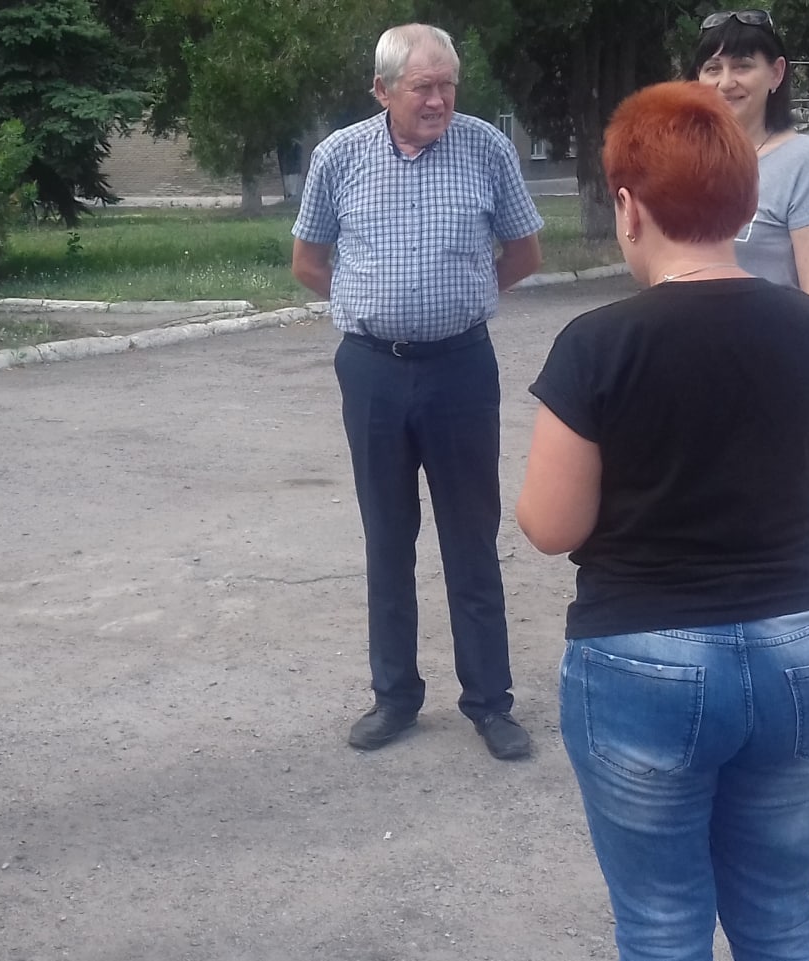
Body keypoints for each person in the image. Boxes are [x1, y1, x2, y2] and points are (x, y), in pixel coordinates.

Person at [518, 80, 809, 961]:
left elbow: (551, 525)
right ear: (744, 202)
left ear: (629, 209)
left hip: (643, 655)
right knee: (781, 912)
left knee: (663, 923)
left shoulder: (598, 343)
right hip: (799, 648)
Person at [291, 23, 543, 760]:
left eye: (447, 86)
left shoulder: (486, 148)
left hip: (461, 367)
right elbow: (308, 261)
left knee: (471, 537)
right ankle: (395, 697)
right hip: (372, 370)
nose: (437, 101)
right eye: (422, 87)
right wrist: (369, 303)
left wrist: (463, 297)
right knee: (387, 535)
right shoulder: (339, 156)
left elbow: (525, 252)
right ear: (382, 90)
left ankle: (490, 703)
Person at [688, 9, 809, 316]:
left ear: (776, 73)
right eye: (712, 68)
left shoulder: (804, 162)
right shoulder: (682, 158)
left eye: (742, 66)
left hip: (772, 343)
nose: (725, 82)